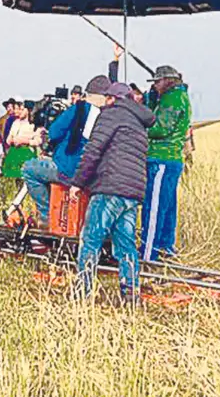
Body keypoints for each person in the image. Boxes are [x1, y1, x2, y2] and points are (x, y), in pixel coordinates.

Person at [68, 82, 156, 303]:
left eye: (107, 98)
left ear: (113, 99)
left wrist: (78, 182)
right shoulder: (138, 122)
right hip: (132, 192)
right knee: (125, 245)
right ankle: (130, 295)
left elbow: (93, 150)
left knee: (91, 239)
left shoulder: (111, 115)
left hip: (110, 188)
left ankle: (83, 294)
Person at [21, 75, 109, 227]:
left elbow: (55, 132)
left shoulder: (79, 109)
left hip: (68, 169)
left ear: (88, 94)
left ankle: (46, 216)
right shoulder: (109, 115)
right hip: (94, 175)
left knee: (29, 170)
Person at [141, 65, 192, 262]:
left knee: (154, 207)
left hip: (162, 158)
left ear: (167, 81)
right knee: (167, 206)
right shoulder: (176, 96)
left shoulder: (172, 99)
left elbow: (160, 128)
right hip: (171, 159)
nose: (155, 85)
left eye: (157, 81)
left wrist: (138, 128)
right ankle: (165, 247)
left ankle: (148, 254)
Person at [2, 101, 39, 182]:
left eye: (22, 109)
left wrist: (25, 141)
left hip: (26, 152)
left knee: (24, 178)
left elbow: (38, 141)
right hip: (13, 152)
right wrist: (11, 140)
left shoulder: (33, 125)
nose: (19, 112)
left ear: (28, 111)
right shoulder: (15, 123)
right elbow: (8, 139)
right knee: (11, 178)